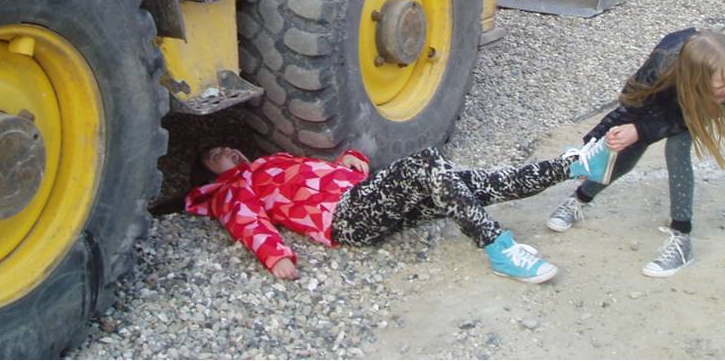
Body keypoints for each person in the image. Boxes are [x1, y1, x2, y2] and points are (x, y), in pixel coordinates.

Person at [545, 28, 725, 278]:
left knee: (677, 150)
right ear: (695, 80)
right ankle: (580, 198)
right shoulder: (658, 68)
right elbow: (629, 106)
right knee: (627, 150)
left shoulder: (722, 80)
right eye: (721, 86)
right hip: (668, 94)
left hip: (692, 106)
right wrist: (590, 151)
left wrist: (640, 130)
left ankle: (682, 240)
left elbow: (685, 119)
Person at [185, 145, 578, 284]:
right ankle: (499, 249)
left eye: (224, 147)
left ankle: (571, 167)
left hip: (358, 196)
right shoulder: (232, 189)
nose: (226, 151)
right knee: (427, 163)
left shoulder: (270, 162)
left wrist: (348, 162)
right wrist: (275, 256)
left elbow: (315, 178)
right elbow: (247, 220)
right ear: (210, 173)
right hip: (346, 218)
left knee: (470, 183)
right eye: (214, 155)